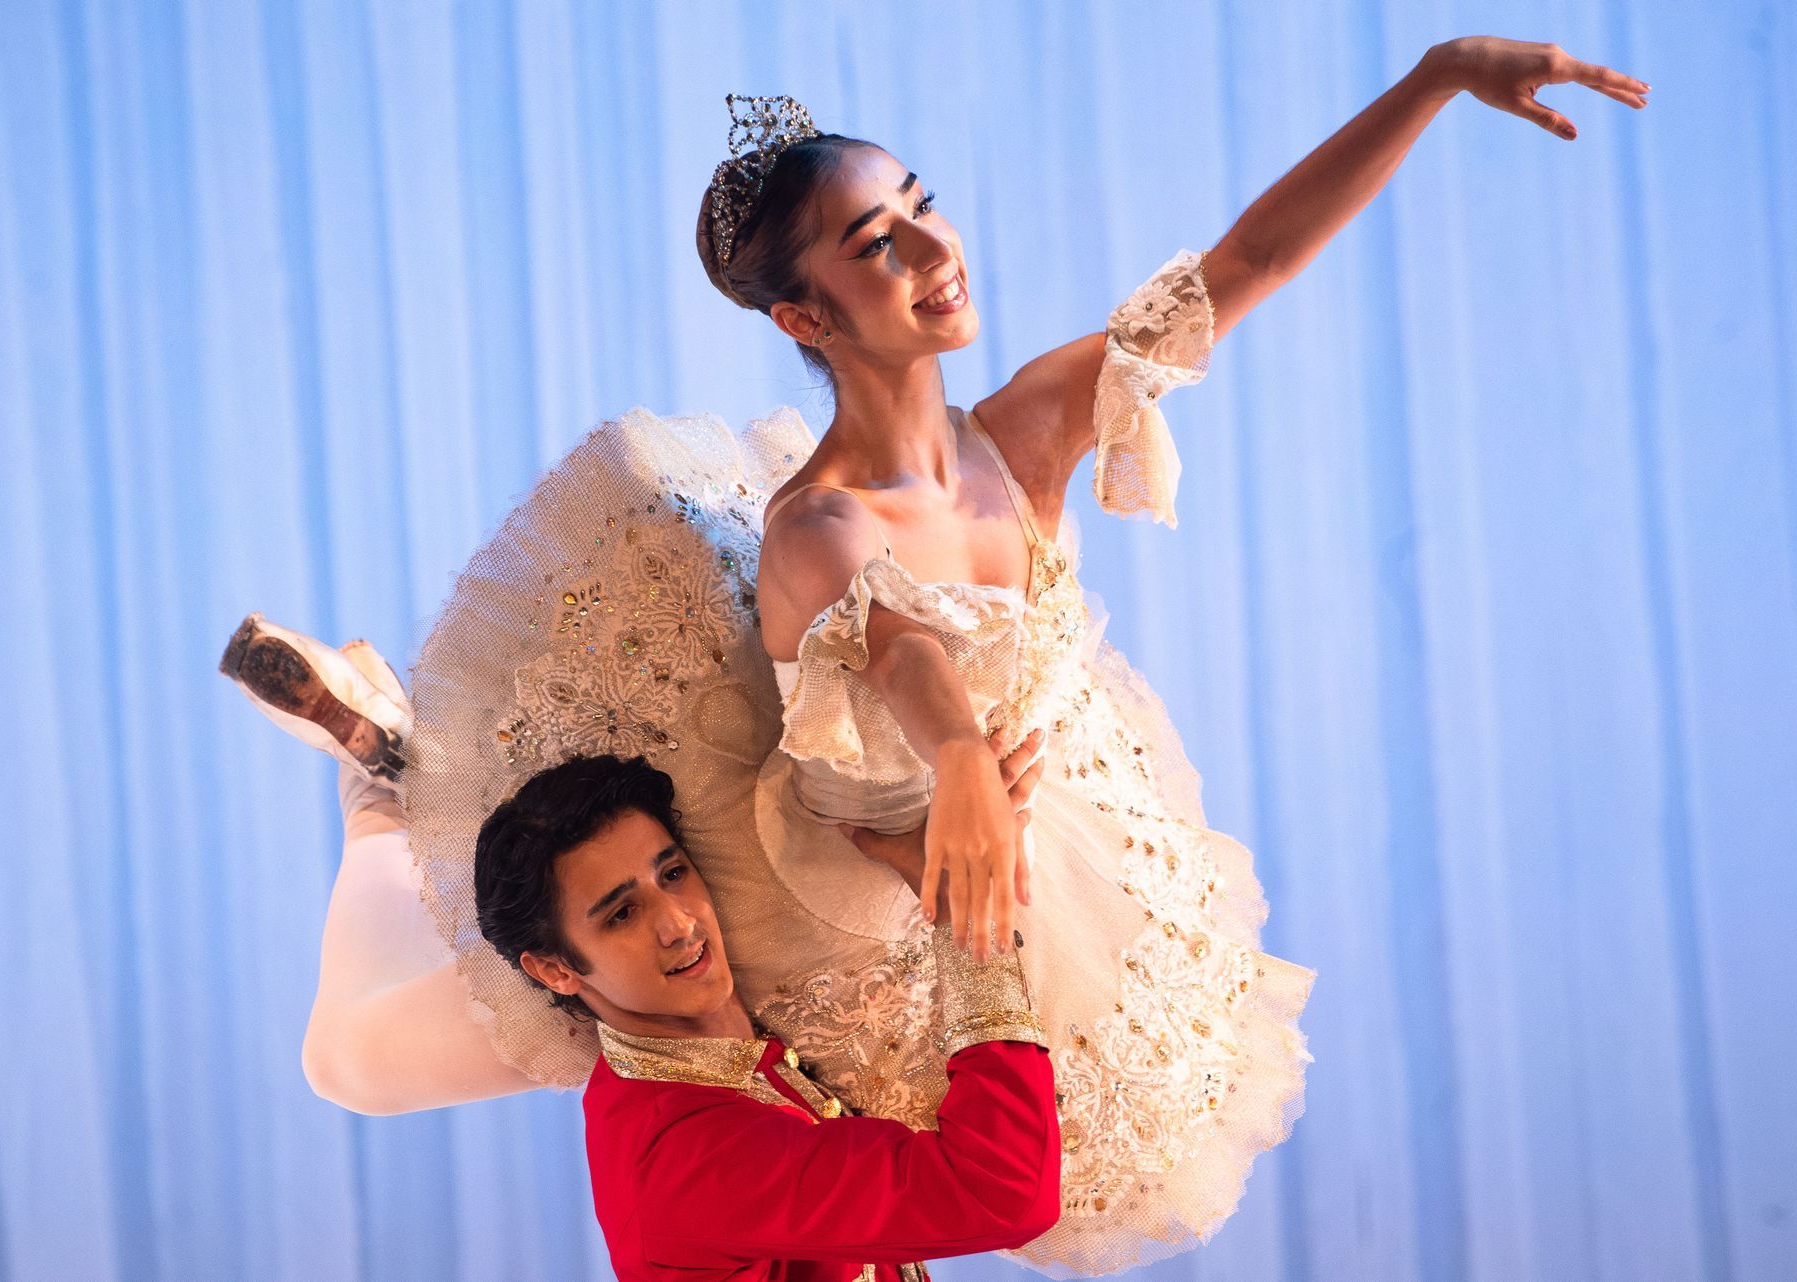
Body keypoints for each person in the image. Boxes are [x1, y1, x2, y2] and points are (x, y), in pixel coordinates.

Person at [222, 34, 1649, 1277]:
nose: (930, 250)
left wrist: (1438, 81)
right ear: (804, 318)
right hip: (810, 911)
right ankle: (386, 767)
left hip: (997, 850)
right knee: (353, 1060)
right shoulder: (817, 527)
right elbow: (894, 639)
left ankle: (394, 768)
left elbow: (1244, 267)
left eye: (922, 209)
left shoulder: (1027, 428)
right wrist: (962, 754)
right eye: (875, 244)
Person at [478, 750, 1058, 1281]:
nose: (680, 924)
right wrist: (969, 910)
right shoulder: (685, 1161)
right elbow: (1003, 1191)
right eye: (623, 913)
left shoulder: (722, 1054)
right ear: (555, 970)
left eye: (673, 874)